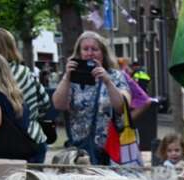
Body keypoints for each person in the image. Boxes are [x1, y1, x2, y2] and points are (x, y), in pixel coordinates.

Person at [51, 31, 130, 165]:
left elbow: (121, 107)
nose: (90, 53)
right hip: (80, 151)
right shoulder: (72, 78)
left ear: (103, 53)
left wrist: (107, 81)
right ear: (79, 53)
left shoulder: (115, 76)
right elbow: (58, 105)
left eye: (94, 49)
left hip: (109, 149)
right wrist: (67, 76)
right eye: (85, 49)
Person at [0, 27, 53, 164]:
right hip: (34, 137)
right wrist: (33, 115)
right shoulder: (26, 72)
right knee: (34, 178)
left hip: (4, 144)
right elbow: (45, 102)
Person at [117, 57, 153, 121]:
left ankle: (123, 122)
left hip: (135, 97)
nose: (131, 68)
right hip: (141, 93)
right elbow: (148, 79)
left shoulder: (124, 74)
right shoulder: (140, 72)